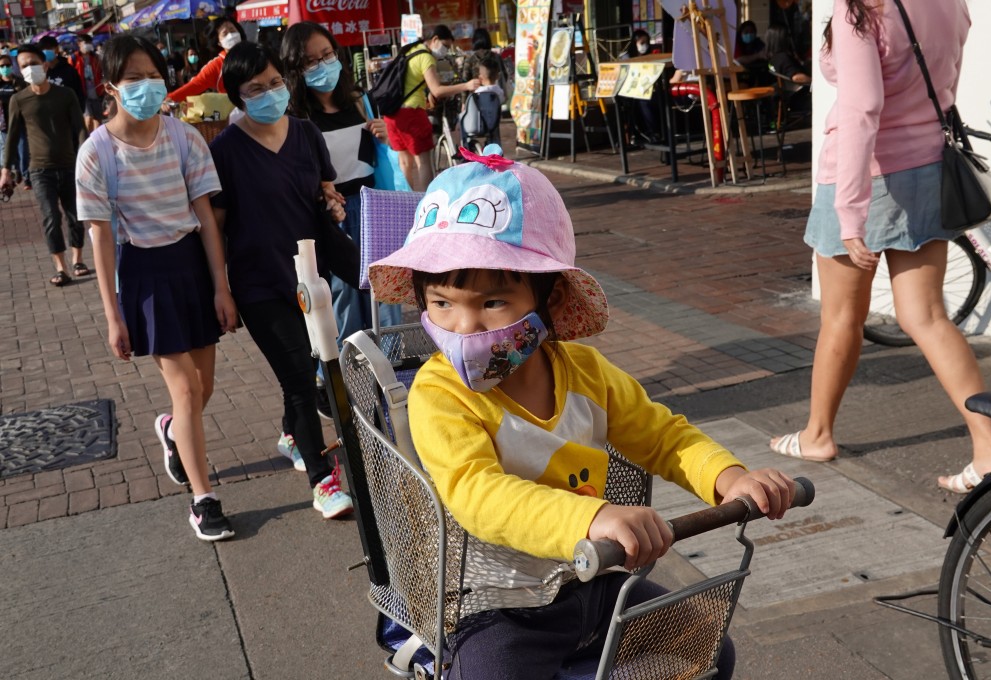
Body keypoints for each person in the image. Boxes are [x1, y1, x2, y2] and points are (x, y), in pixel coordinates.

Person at [368, 147, 796, 678]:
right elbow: (476, 493)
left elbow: (663, 436)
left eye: (493, 303)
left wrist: (729, 478)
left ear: (547, 298)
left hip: (593, 584)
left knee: (708, 650)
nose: (465, 326)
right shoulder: (440, 393)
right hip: (496, 606)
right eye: (442, 303)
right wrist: (594, 516)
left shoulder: (586, 372)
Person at [769, 0, 991, 493]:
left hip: (868, 175)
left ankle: (818, 435)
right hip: (928, 168)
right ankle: (989, 450)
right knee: (927, 316)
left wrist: (850, 211)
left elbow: (862, 109)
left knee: (841, 317)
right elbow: (943, 81)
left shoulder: (861, 9)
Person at [74, 35, 237, 541]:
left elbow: (207, 218)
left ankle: (170, 429)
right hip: (144, 273)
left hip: (191, 264)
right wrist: (113, 315)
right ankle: (203, 499)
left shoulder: (185, 138)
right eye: (134, 78)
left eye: (153, 75)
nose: (147, 86)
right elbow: (101, 238)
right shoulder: (95, 153)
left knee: (202, 389)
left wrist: (221, 285)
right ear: (110, 87)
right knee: (186, 388)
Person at [209, 42, 356, 518]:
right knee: (298, 376)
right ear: (237, 98)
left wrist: (334, 204)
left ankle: (293, 433)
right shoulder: (225, 151)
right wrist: (221, 287)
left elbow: (325, 190)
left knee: (305, 364)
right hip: (259, 283)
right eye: (257, 89)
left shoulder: (307, 133)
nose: (271, 93)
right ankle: (323, 480)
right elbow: (216, 223)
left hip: (311, 274)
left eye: (275, 83)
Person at [281, 21, 402, 421]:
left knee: (386, 297)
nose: (322, 66)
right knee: (343, 303)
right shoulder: (295, 116)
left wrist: (386, 136)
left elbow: (380, 159)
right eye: (310, 61)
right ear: (295, 69)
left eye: (327, 55)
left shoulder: (359, 100)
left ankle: (394, 378)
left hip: (372, 207)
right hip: (330, 216)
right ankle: (345, 385)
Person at [0, 43, 89, 287]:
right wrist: (6, 171)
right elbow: (12, 136)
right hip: (39, 169)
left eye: (33, 63)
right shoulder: (19, 100)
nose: (30, 69)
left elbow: (80, 128)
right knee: (50, 216)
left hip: (70, 164)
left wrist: (86, 157)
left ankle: (78, 259)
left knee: (74, 215)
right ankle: (61, 267)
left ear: (46, 64)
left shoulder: (65, 95)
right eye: (24, 66)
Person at [382, 24, 479, 192]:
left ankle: (406, 205)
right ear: (434, 40)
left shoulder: (411, 50)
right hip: (412, 113)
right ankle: (428, 206)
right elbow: (437, 90)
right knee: (423, 161)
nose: (446, 50)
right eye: (446, 46)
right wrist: (467, 85)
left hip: (392, 114)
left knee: (404, 162)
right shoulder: (426, 57)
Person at [166, 17, 245, 103]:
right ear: (218, 42)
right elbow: (195, 85)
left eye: (232, 30)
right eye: (225, 34)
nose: (231, 35)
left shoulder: (255, 53)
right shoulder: (216, 65)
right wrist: (170, 98)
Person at [70, 34, 106, 133]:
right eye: (86, 43)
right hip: (82, 93)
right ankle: (87, 140)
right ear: (79, 44)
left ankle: (97, 140)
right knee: (88, 118)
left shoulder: (96, 57)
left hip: (96, 91)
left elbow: (102, 72)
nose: (89, 45)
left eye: (90, 43)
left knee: (98, 119)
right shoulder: (74, 58)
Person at [37, 36, 85, 108]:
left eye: (49, 48)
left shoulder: (69, 70)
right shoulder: (39, 72)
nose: (46, 51)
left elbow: (79, 93)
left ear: (56, 49)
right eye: (43, 49)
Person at [0, 51, 26, 179]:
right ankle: (16, 172)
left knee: (22, 149)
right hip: (4, 123)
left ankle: (25, 174)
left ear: (11, 65)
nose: (5, 68)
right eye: (2, 66)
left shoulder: (20, 82)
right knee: (8, 149)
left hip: (19, 121)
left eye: (7, 65)